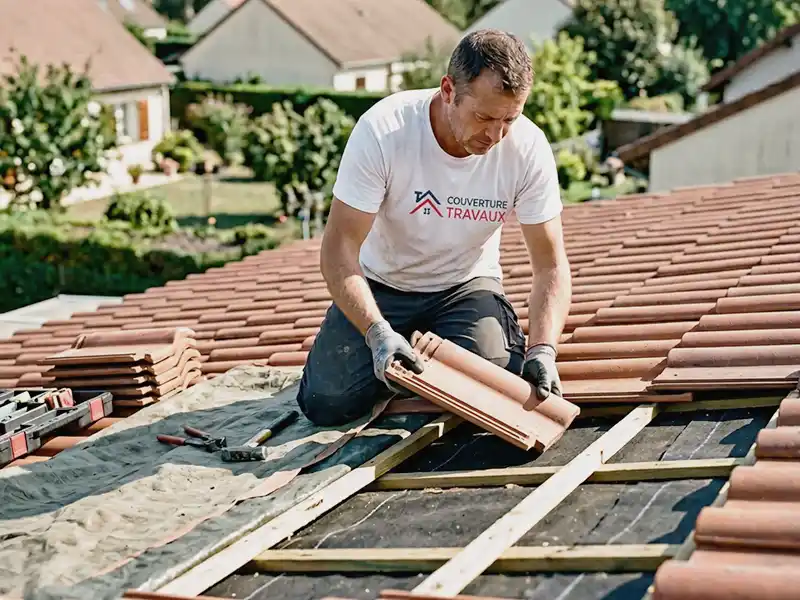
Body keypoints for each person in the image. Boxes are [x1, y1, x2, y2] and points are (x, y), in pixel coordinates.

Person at [296, 29, 572, 427]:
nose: (496, 136)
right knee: (327, 403)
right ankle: (402, 348)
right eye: (484, 117)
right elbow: (338, 251)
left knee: (499, 386)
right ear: (448, 90)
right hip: (382, 283)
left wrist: (543, 349)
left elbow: (550, 265)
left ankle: (427, 354)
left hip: (465, 287)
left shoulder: (528, 148)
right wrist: (375, 334)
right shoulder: (384, 131)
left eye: (510, 119)